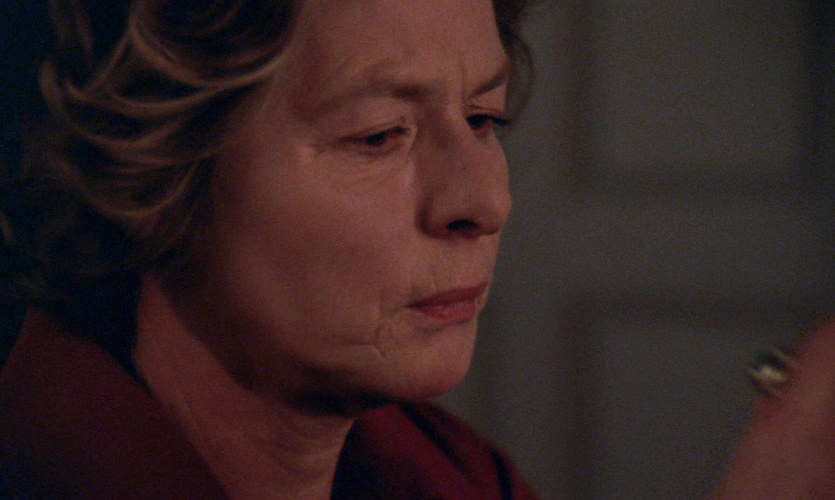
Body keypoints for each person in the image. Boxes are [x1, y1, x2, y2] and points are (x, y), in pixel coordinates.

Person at [0, 0, 539, 497]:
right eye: (377, 135)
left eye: (482, 118)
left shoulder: (465, 476)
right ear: (140, 169)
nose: (488, 203)